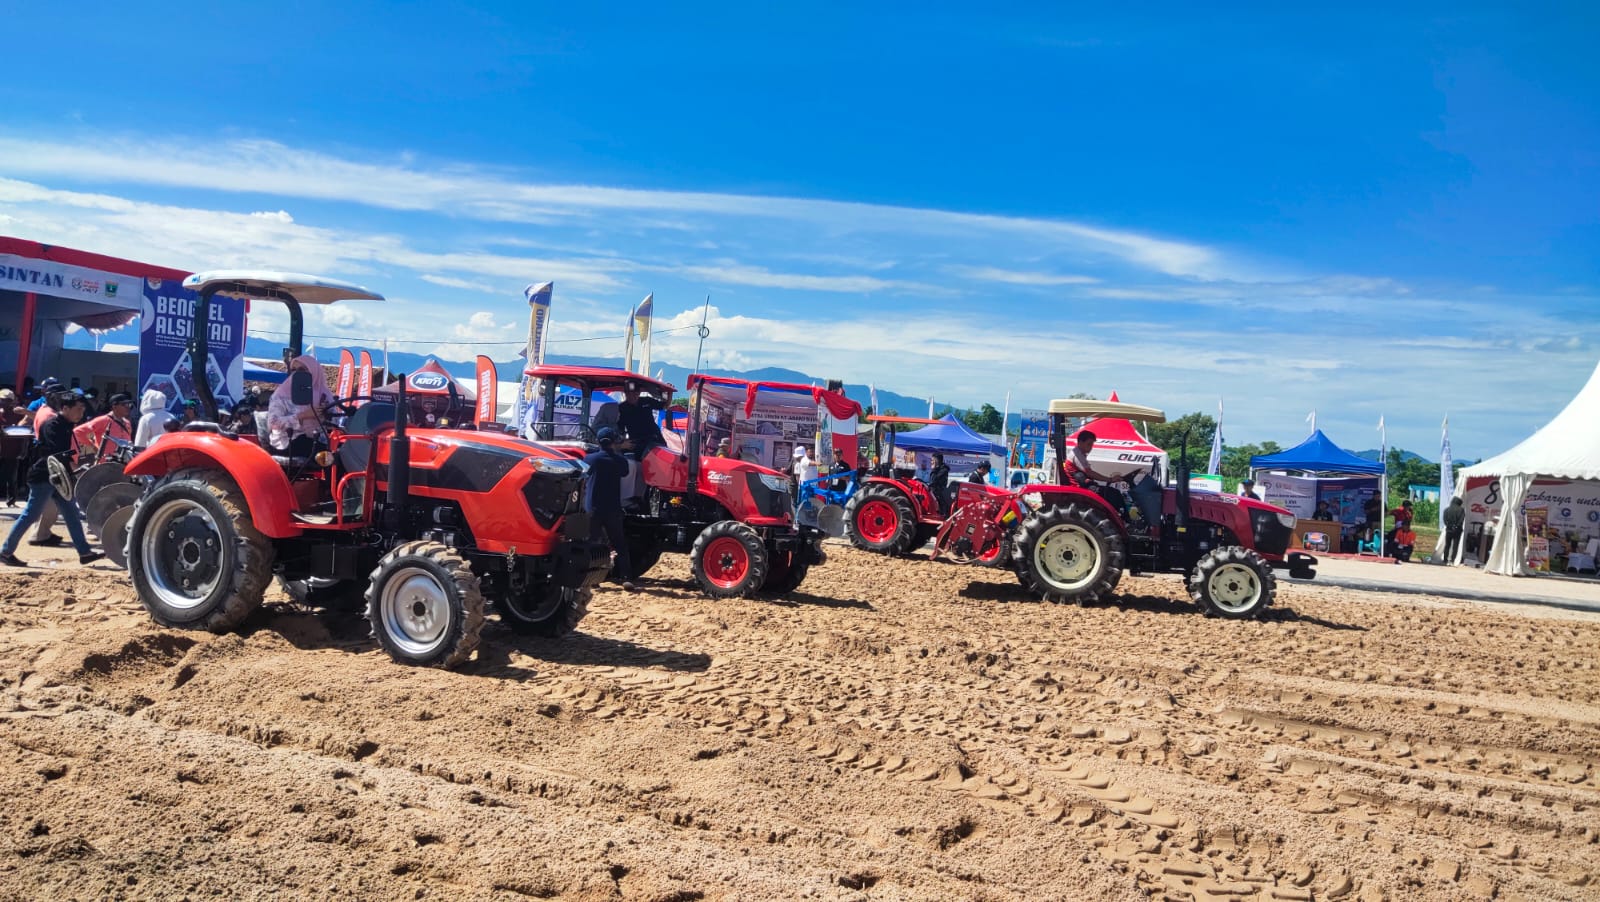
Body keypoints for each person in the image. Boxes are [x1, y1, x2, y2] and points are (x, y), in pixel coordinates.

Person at [1, 394, 103, 567]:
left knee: (71, 513)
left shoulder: (66, 425)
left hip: (57, 476)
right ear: (65, 408)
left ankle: (84, 552)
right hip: (45, 476)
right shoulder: (53, 425)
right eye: (78, 408)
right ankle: (5, 551)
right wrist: (75, 465)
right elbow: (55, 453)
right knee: (31, 514)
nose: (81, 412)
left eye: (82, 408)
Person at [584, 427, 635, 591]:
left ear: (598, 441)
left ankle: (593, 580)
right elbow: (625, 471)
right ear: (614, 442)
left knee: (593, 543)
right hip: (612, 507)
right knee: (619, 543)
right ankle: (626, 577)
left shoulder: (590, 458)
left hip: (592, 507)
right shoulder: (620, 461)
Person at [266, 354, 335, 455]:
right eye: (294, 370)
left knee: (343, 452)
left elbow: (335, 421)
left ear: (313, 371)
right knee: (313, 448)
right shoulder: (281, 394)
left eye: (302, 369)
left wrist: (326, 415)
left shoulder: (324, 394)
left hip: (319, 440)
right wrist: (303, 416)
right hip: (287, 441)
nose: (297, 373)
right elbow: (273, 423)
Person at [74, 392, 135, 461]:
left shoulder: (127, 423)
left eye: (128, 404)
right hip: (106, 464)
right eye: (124, 404)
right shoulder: (103, 420)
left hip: (124, 462)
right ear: (114, 407)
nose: (128, 407)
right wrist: (93, 447)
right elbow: (77, 431)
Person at [617, 385, 664, 456]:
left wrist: (668, 393)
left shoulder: (647, 401)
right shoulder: (621, 408)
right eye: (629, 394)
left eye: (634, 393)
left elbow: (664, 405)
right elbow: (620, 428)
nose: (632, 396)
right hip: (636, 441)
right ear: (625, 393)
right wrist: (623, 442)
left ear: (639, 393)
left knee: (664, 456)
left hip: (655, 439)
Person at [1442, 497, 1466, 563]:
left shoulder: (1446, 510)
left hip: (1449, 530)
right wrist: (1456, 526)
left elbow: (1445, 520)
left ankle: (1445, 559)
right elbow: (1461, 520)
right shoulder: (1461, 510)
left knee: (1447, 545)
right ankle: (1453, 559)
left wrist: (1449, 526)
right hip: (1457, 531)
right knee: (1455, 546)